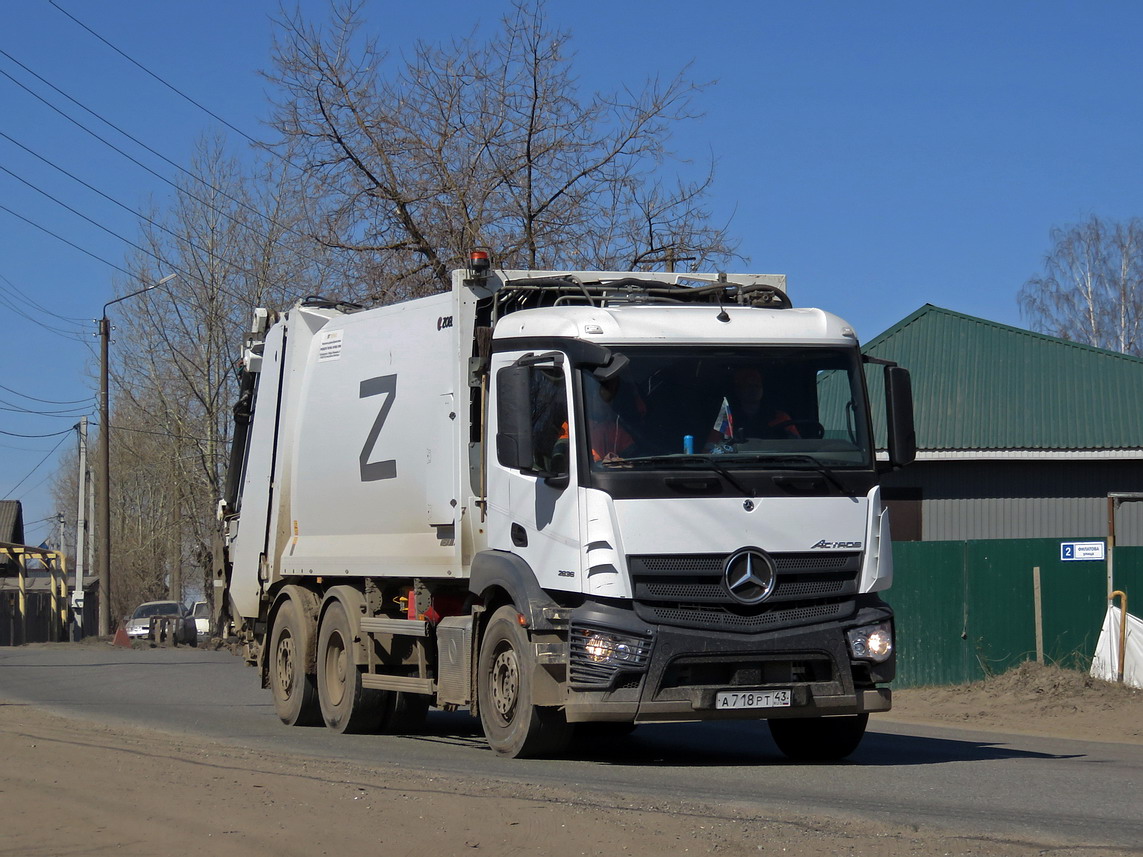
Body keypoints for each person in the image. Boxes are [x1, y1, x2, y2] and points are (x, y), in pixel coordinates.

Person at [707, 367, 798, 448]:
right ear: (738, 390)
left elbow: (797, 447)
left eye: (757, 385)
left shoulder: (781, 418)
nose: (753, 389)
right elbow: (710, 450)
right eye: (748, 385)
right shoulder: (726, 419)